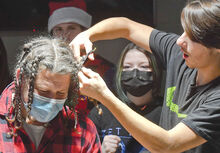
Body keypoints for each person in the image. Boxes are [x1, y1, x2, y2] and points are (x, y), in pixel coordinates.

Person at [71, 0, 220, 152]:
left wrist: (104, 96)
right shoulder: (179, 55)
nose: (180, 40)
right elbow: (126, 27)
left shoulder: (216, 99)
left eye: (192, 37)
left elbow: (169, 144)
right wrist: (88, 34)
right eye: (183, 31)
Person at [0, 36, 101, 152]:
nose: (51, 102)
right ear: (20, 78)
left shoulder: (82, 131)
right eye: (43, 92)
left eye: (60, 94)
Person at [88, 43, 162, 153]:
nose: (135, 72)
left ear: (155, 71)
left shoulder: (167, 112)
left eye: (144, 67)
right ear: (120, 72)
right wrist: (101, 150)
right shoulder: (100, 113)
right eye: (127, 67)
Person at [48, 0, 116, 114]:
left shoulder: (105, 70)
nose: (64, 35)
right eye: (58, 29)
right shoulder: (44, 68)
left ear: (83, 32)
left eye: (71, 28)